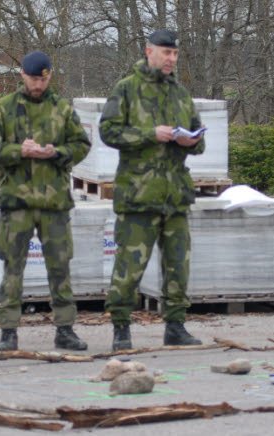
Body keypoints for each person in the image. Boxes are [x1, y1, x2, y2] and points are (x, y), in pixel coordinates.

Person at [99, 29, 204, 351]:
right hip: (138, 196)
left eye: (174, 54)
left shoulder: (180, 93)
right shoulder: (127, 89)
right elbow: (108, 132)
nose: (171, 59)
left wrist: (193, 141)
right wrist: (149, 134)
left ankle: (175, 325)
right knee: (129, 268)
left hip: (175, 196)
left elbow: (199, 141)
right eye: (165, 53)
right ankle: (121, 329)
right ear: (149, 52)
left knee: (178, 266)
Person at [0, 51, 91, 351]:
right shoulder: (4, 108)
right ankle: (8, 331)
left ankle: (65, 328)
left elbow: (82, 144)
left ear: (50, 77)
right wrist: (16, 151)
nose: (38, 84)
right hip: (16, 202)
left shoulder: (62, 108)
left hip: (54, 202)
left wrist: (56, 153)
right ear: (22, 75)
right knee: (12, 267)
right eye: (34, 78)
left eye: (44, 79)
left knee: (60, 267)